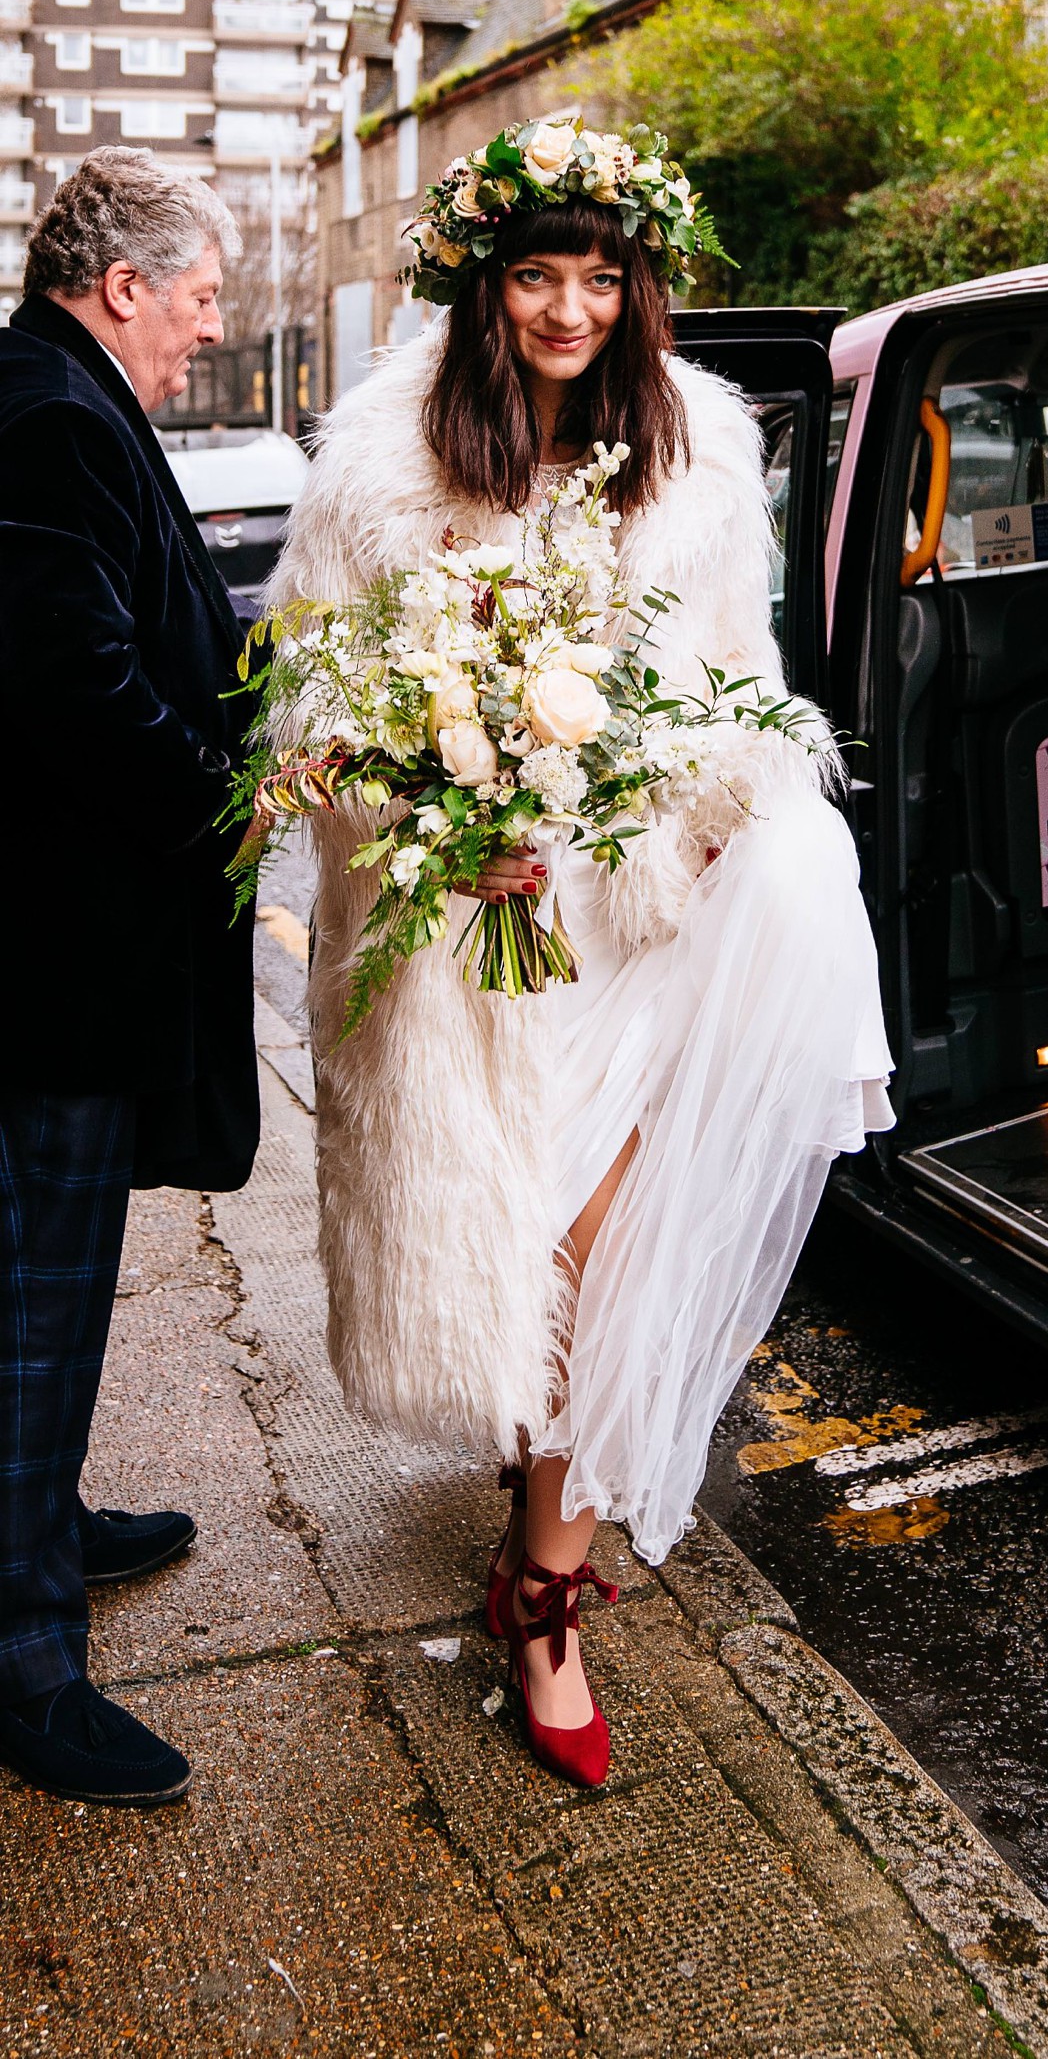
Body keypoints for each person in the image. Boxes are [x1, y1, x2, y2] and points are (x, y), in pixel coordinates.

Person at [270, 117, 891, 1788]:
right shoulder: (389, 454)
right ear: (485, 285)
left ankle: (544, 1584)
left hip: (636, 913)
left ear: (639, 286)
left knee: (613, 1246)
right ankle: (532, 1528)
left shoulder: (695, 447)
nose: (566, 308)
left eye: (597, 276)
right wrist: (446, 809)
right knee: (519, 1252)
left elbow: (741, 693)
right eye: (535, 274)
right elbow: (317, 701)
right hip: (469, 931)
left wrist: (650, 805)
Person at [0, 149, 260, 1807]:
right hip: (46, 972)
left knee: (61, 1289)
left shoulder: (59, 391)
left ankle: (46, 1518)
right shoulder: (47, 411)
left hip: (64, 955)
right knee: (26, 1306)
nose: (212, 323)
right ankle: (25, 1661)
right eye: (200, 293)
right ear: (122, 289)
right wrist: (218, 801)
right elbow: (69, 681)